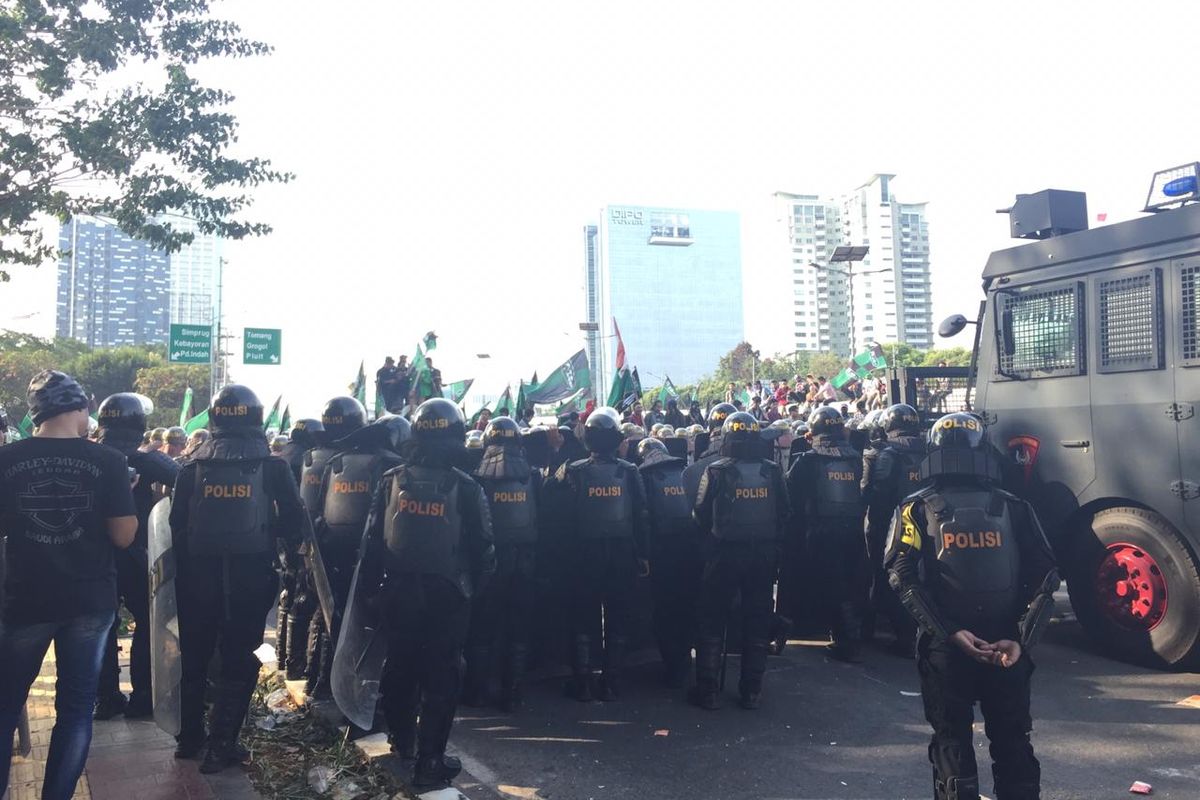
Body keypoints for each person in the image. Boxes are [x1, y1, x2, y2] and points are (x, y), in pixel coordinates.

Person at [887, 412, 1058, 800]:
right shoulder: (1014, 506)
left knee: (951, 746)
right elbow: (1048, 577)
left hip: (945, 648)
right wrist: (1021, 640)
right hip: (1007, 647)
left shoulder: (915, 509)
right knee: (1014, 746)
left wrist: (948, 632)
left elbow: (900, 574)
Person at [0, 371, 137, 800]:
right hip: (89, 600)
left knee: (4, 706)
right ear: (78, 407)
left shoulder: (6, 460)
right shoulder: (108, 461)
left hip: (25, 598)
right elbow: (124, 536)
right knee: (75, 710)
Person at [355, 399, 495, 789]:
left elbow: (371, 542)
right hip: (447, 594)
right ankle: (430, 759)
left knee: (399, 666)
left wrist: (371, 592)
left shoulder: (391, 480)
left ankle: (403, 742)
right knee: (441, 676)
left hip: (398, 589)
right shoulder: (465, 486)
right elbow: (484, 549)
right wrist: (471, 593)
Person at [169, 384, 305, 773]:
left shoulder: (191, 466)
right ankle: (222, 744)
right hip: (250, 577)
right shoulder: (273, 466)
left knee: (194, 657)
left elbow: (176, 527)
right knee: (239, 658)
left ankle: (189, 738)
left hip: (197, 578)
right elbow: (294, 522)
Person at [546, 406, 648, 702]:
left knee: (582, 617)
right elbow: (642, 517)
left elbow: (554, 508)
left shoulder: (573, 471)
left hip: (583, 555)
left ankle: (584, 683)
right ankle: (611, 682)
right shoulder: (629, 472)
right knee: (618, 616)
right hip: (621, 554)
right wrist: (644, 555)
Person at [690, 412, 789, 710]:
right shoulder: (772, 471)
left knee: (712, 619)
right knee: (756, 620)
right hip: (762, 555)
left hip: (724, 553)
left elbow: (699, 514)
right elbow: (786, 512)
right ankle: (752, 690)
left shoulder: (716, 471)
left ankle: (707, 690)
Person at [92, 393, 181, 720]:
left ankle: (105, 697)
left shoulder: (90, 457)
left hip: (97, 557)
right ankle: (144, 695)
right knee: (148, 623)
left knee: (103, 625)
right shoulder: (149, 461)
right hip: (141, 556)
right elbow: (184, 483)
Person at [306, 414, 407, 701]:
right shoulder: (391, 466)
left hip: (332, 553)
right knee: (369, 627)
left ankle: (322, 684)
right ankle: (358, 694)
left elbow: (317, 509)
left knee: (331, 618)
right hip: (369, 557)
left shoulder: (337, 461)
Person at [462, 416, 541, 712]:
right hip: (526, 563)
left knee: (483, 626)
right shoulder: (534, 477)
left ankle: (478, 691)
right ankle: (514, 692)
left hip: (489, 565)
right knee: (519, 628)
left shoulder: (475, 480)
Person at [787, 406, 866, 661]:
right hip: (855, 530)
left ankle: (847, 641)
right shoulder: (857, 458)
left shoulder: (807, 460)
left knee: (834, 585)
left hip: (820, 532)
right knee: (848, 583)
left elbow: (790, 496)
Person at [299, 397, 367, 690]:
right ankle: (331, 684)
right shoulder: (366, 462)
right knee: (344, 621)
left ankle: (315, 678)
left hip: (320, 548)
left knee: (322, 611)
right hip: (352, 554)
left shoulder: (317, 459)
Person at [637, 438, 700, 688]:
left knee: (664, 610)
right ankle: (684, 659)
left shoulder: (643, 475)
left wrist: (643, 553)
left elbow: (642, 518)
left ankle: (673, 665)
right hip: (688, 550)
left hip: (660, 554)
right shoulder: (682, 470)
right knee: (685, 606)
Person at [861, 404, 924, 655]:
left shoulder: (888, 453)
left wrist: (875, 527)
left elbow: (876, 493)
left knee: (891, 576)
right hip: (930, 520)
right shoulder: (931, 447)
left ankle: (903, 635)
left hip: (895, 526)